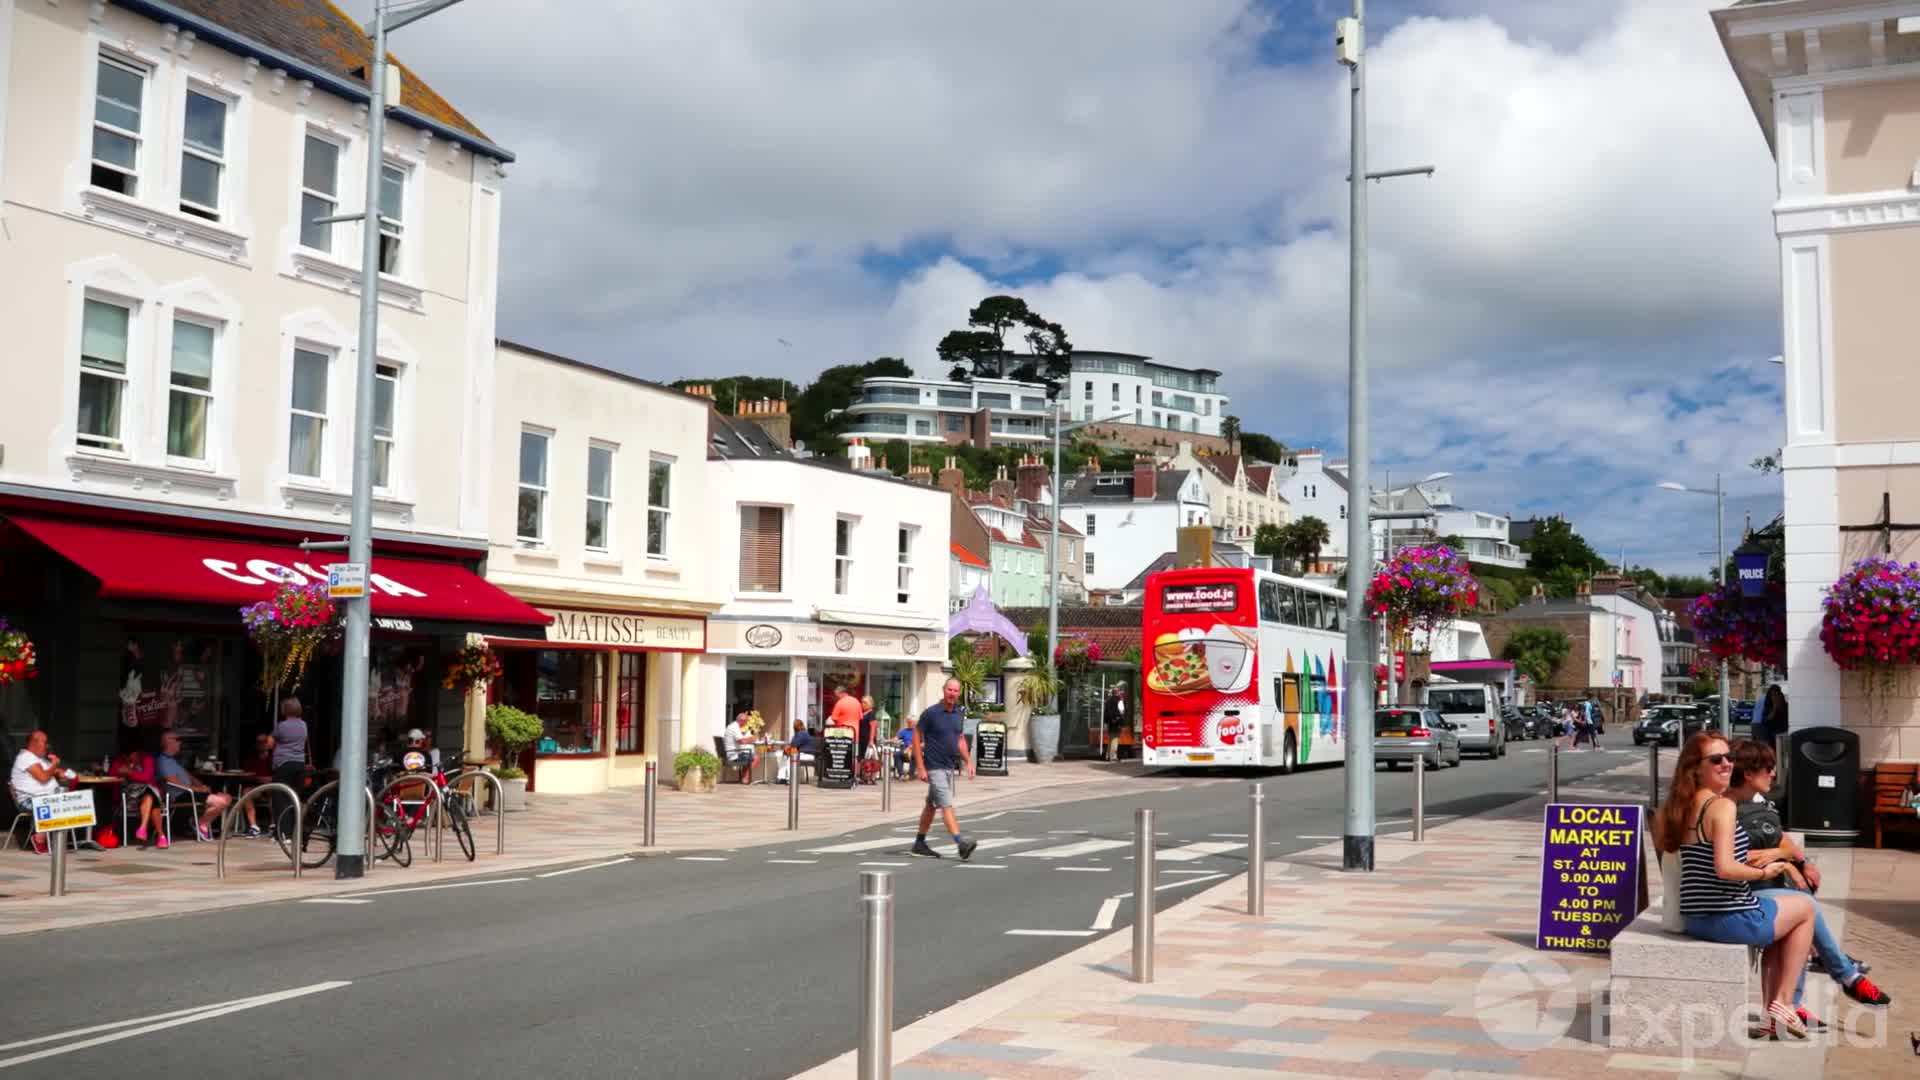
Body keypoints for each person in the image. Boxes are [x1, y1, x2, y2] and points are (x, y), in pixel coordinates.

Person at [1654, 732, 1817, 1039]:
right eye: (1717, 760)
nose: (1728, 764)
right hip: (1728, 917)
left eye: (1729, 757)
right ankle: (1784, 1003)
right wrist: (1769, 869)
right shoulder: (1721, 807)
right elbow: (1726, 868)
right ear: (1695, 768)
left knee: (1782, 927)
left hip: (1696, 918)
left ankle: (1773, 1017)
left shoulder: (1683, 805)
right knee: (1806, 909)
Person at [1726, 738, 1889, 1025]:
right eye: (1768, 768)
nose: (1774, 774)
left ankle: (1799, 1000)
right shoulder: (1726, 807)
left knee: (1802, 906)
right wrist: (1783, 863)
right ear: (1749, 773)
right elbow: (1737, 858)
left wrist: (1797, 862)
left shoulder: (1760, 801)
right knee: (1805, 907)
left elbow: (1780, 842)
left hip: (1767, 884)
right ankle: (1844, 972)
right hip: (1744, 890)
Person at [911, 678, 977, 861]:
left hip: (948, 766)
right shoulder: (931, 713)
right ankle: (960, 843)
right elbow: (916, 736)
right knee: (946, 804)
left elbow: (960, 739)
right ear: (943, 690)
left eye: (956, 691)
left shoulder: (958, 714)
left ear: (959, 693)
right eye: (950, 689)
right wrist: (920, 766)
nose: (952, 693)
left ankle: (919, 843)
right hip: (934, 767)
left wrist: (968, 761)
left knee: (931, 806)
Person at [156, 733, 232, 842]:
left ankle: (202, 823)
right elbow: (173, 782)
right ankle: (201, 824)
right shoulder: (163, 761)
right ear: (168, 741)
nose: (180, 742)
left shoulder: (173, 760)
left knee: (227, 797)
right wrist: (198, 789)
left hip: (190, 792)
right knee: (222, 802)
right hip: (181, 795)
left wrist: (200, 785)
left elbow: (188, 775)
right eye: (177, 739)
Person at [10, 730, 70, 855]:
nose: (47, 746)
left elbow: (53, 771)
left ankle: (61, 840)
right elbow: (43, 777)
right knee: (52, 805)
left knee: (72, 802)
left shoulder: (39, 759)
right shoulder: (25, 757)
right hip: (29, 801)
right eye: (45, 742)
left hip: (46, 798)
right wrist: (54, 765)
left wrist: (58, 771)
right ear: (33, 743)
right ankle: (39, 839)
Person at [111, 742, 167, 848]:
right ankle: (160, 836)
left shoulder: (147, 759)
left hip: (147, 794)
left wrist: (130, 773)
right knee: (152, 799)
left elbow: (147, 777)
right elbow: (112, 776)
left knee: (149, 795)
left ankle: (143, 827)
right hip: (130, 798)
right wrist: (121, 773)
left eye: (134, 755)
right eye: (128, 756)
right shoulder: (119, 761)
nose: (132, 758)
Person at [270, 698, 311, 839]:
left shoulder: (282, 726)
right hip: (299, 763)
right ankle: (295, 830)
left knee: (280, 797)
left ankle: (283, 831)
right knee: (294, 796)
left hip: (283, 764)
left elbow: (270, 743)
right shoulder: (303, 725)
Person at [721, 711, 756, 783]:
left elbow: (742, 739)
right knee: (756, 758)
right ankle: (745, 778)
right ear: (742, 721)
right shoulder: (734, 727)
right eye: (746, 721)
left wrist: (748, 738)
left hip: (734, 753)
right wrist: (752, 738)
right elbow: (742, 741)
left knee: (749, 755)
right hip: (733, 755)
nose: (746, 723)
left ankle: (743, 777)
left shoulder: (733, 726)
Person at [778, 718, 815, 784]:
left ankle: (789, 778)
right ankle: (782, 777)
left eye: (794, 726)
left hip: (806, 754)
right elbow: (793, 745)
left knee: (790, 758)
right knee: (785, 756)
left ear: (796, 727)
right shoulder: (802, 733)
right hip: (804, 753)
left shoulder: (801, 734)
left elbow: (794, 744)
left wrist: (787, 749)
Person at [1752, 684, 1786, 752]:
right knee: (1764, 748)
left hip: (1756, 725)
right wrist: (1774, 708)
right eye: (1773, 695)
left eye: (1777, 695)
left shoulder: (1761, 698)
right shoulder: (1767, 703)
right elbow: (1766, 719)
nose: (1775, 697)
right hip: (1763, 728)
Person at [1103, 685, 1129, 762]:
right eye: (1119, 691)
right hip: (1117, 722)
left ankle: (1108, 756)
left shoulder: (1108, 700)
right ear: (1117, 692)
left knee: (1111, 739)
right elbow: (1122, 712)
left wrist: (1108, 720)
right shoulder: (1119, 700)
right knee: (1115, 739)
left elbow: (1106, 712)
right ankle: (1113, 757)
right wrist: (1119, 719)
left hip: (1110, 723)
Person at [857, 695, 879, 784]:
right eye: (862, 702)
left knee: (870, 758)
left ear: (870, 704)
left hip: (868, 739)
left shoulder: (871, 713)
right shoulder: (863, 713)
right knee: (862, 758)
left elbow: (873, 727)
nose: (863, 704)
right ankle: (864, 776)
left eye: (865, 702)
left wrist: (871, 740)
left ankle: (870, 777)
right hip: (861, 739)